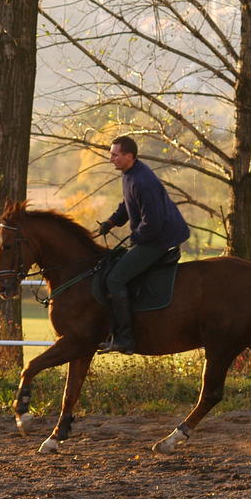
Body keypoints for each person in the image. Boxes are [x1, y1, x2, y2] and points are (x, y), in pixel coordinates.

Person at [96, 136, 190, 353]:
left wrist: (135, 239)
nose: (111, 159)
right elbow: (128, 203)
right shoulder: (130, 174)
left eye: (115, 155)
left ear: (129, 156)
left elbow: (152, 224)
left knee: (115, 278)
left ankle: (125, 339)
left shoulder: (143, 181)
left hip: (159, 239)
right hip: (151, 235)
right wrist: (111, 222)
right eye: (111, 154)